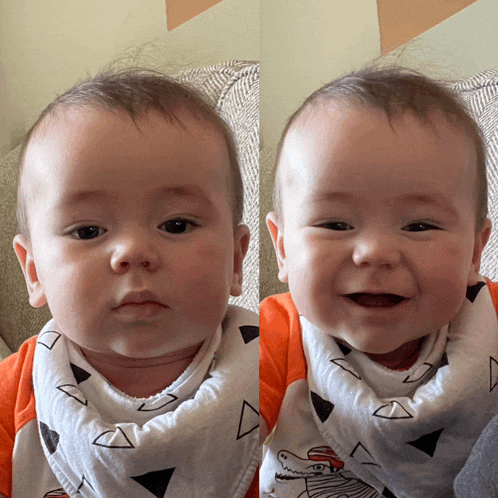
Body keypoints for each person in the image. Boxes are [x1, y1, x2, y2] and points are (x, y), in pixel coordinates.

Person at [0, 69, 259, 498]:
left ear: (236, 259)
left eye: (176, 224)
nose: (133, 252)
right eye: (88, 232)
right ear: (33, 272)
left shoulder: (283, 375)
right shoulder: (12, 402)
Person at [260, 66, 498, 498]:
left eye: (420, 225)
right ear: (282, 250)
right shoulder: (275, 333)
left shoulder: (493, 319)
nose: (375, 252)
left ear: (475, 252)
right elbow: (214, 435)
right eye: (334, 223)